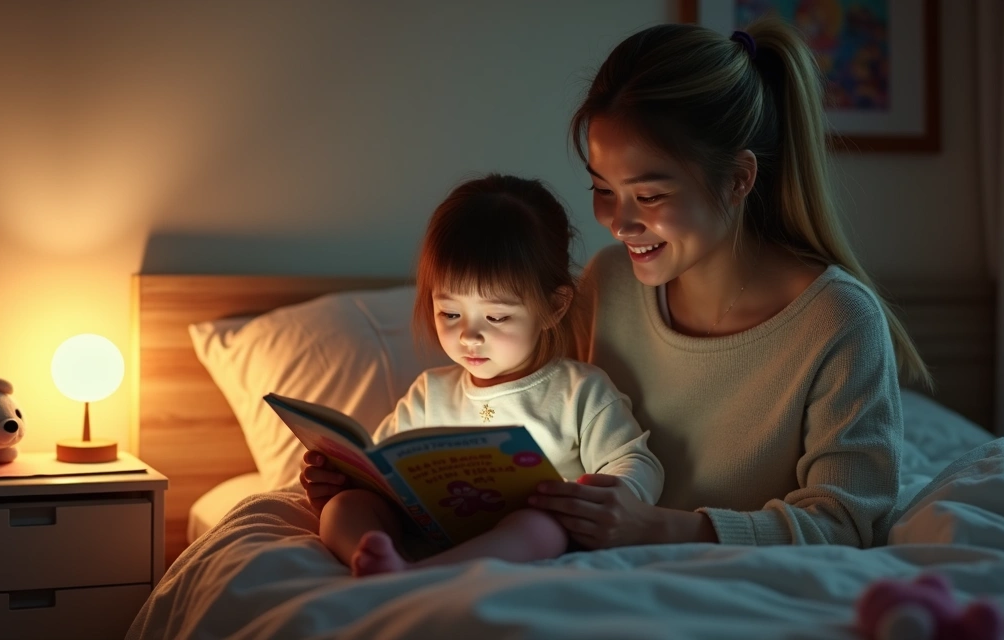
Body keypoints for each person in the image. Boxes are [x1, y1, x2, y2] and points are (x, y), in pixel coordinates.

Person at [526, 18, 929, 549]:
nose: (619, 222)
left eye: (649, 197)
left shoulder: (838, 319)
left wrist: (658, 528)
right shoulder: (607, 284)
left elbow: (845, 521)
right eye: (602, 188)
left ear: (739, 178)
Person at [300, 173, 664, 576]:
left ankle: (421, 576)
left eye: (496, 316)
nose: (470, 335)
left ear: (554, 308)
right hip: (435, 528)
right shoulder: (429, 394)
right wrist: (344, 482)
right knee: (343, 509)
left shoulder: (579, 391)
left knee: (540, 527)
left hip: (528, 542)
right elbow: (385, 470)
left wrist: (615, 493)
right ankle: (369, 561)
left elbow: (634, 459)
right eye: (450, 313)